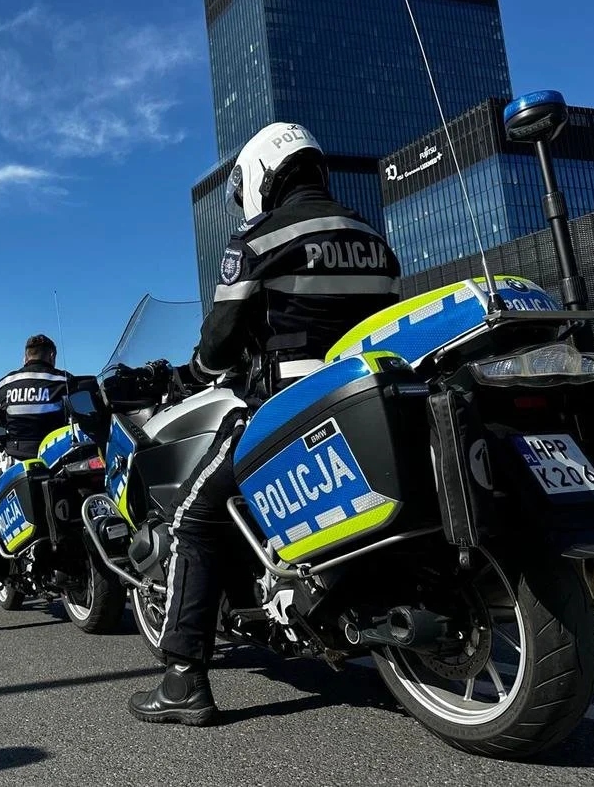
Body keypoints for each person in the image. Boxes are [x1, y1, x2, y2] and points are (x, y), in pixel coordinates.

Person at [126, 122, 400, 725]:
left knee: (196, 518)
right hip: (368, 396)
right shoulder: (369, 235)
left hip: (288, 403)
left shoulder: (257, 238)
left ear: (260, 176)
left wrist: (192, 372)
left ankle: (182, 680)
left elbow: (221, 342)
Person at [0, 334, 73, 634]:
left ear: (26, 356)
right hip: (59, 460)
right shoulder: (63, 379)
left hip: (19, 464)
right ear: (51, 355)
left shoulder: (7, 382)